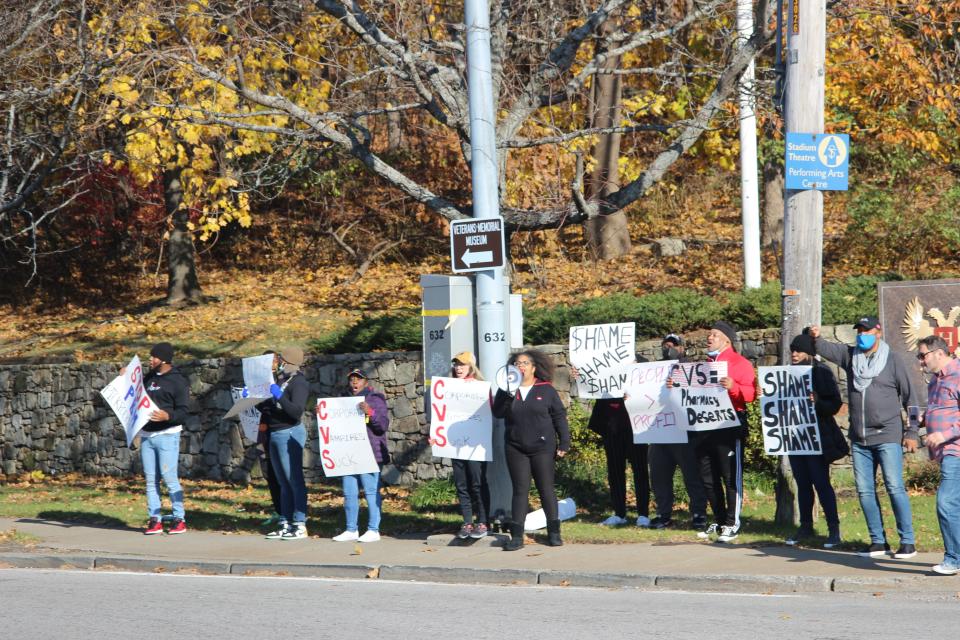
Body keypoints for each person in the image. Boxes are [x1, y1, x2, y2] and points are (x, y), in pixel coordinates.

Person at [810, 318, 919, 559]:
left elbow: (911, 399)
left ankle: (907, 541)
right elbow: (826, 349)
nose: (862, 335)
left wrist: (911, 432)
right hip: (860, 439)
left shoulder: (893, 360)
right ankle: (877, 541)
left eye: (866, 331)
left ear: (878, 332)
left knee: (894, 487)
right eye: (859, 332)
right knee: (865, 491)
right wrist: (815, 338)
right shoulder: (851, 357)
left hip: (888, 435)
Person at [493, 349, 570, 551]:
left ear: (534, 367)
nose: (521, 366)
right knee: (520, 490)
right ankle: (517, 536)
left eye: (525, 363)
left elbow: (559, 416)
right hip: (516, 447)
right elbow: (498, 412)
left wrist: (564, 443)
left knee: (546, 488)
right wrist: (508, 395)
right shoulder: (506, 387)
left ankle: (554, 533)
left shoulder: (546, 389)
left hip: (542, 447)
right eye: (518, 363)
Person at [693, 321, 756, 543]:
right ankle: (719, 520)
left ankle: (732, 523)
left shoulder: (740, 363)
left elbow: (751, 394)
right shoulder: (703, 366)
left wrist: (734, 387)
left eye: (715, 335)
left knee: (730, 477)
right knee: (707, 477)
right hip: (704, 427)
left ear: (727, 340)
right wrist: (675, 384)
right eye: (709, 335)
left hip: (729, 426)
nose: (709, 338)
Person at [784, 333, 845, 549]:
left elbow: (834, 404)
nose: (794, 354)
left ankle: (833, 529)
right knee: (802, 484)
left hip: (817, 437)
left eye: (798, 350)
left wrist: (818, 402)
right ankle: (805, 526)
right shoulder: (787, 374)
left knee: (821, 483)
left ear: (809, 352)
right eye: (792, 350)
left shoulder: (821, 371)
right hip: (796, 437)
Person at [575, 354, 650, 528]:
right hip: (612, 432)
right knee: (615, 473)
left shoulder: (641, 366)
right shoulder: (608, 373)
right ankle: (619, 513)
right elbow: (592, 384)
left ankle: (643, 514)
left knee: (640, 472)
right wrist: (580, 375)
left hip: (637, 431)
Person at [648, 334, 708, 530]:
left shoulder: (690, 367)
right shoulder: (652, 370)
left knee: (692, 475)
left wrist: (680, 385)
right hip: (659, 432)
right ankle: (663, 514)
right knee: (659, 477)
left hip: (684, 433)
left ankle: (699, 513)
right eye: (666, 345)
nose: (669, 348)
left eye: (674, 345)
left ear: (683, 348)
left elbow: (700, 394)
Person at [916, 335, 960, 575]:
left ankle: (953, 559)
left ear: (939, 354)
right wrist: (925, 419)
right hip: (945, 452)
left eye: (923, 356)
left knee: (946, 502)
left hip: (956, 450)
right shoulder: (935, 381)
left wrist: (944, 435)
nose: (921, 361)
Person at [136, 342, 190, 535]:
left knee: (169, 478)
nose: (151, 360)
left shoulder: (177, 381)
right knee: (151, 480)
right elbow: (133, 392)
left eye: (154, 357)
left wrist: (168, 416)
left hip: (167, 435)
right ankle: (155, 519)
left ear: (165, 359)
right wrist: (124, 375)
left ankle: (179, 518)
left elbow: (184, 411)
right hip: (147, 436)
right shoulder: (148, 378)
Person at [332, 367, 390, 543]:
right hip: (348, 452)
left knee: (371, 491)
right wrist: (323, 413)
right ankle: (351, 529)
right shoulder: (343, 400)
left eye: (358, 379)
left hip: (370, 453)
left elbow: (382, 425)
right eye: (352, 379)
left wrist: (370, 412)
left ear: (366, 382)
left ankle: (373, 529)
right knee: (349, 492)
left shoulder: (375, 399)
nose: (354, 382)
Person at [258, 347, 310, 541]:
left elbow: (296, 411)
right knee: (282, 482)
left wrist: (279, 396)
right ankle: (285, 521)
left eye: (282, 360)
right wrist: (253, 399)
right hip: (275, 432)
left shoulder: (299, 382)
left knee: (293, 480)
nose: (279, 363)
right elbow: (270, 408)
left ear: (290, 362)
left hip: (289, 432)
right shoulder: (281, 380)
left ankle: (300, 523)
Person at [448, 351, 491, 539]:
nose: (459, 368)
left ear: (471, 367)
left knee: (477, 483)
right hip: (455, 444)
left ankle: (482, 521)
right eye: (456, 364)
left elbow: (489, 412)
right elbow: (441, 415)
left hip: (475, 445)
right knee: (461, 484)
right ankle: (467, 522)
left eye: (463, 365)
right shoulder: (447, 388)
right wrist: (436, 434)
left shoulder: (480, 387)